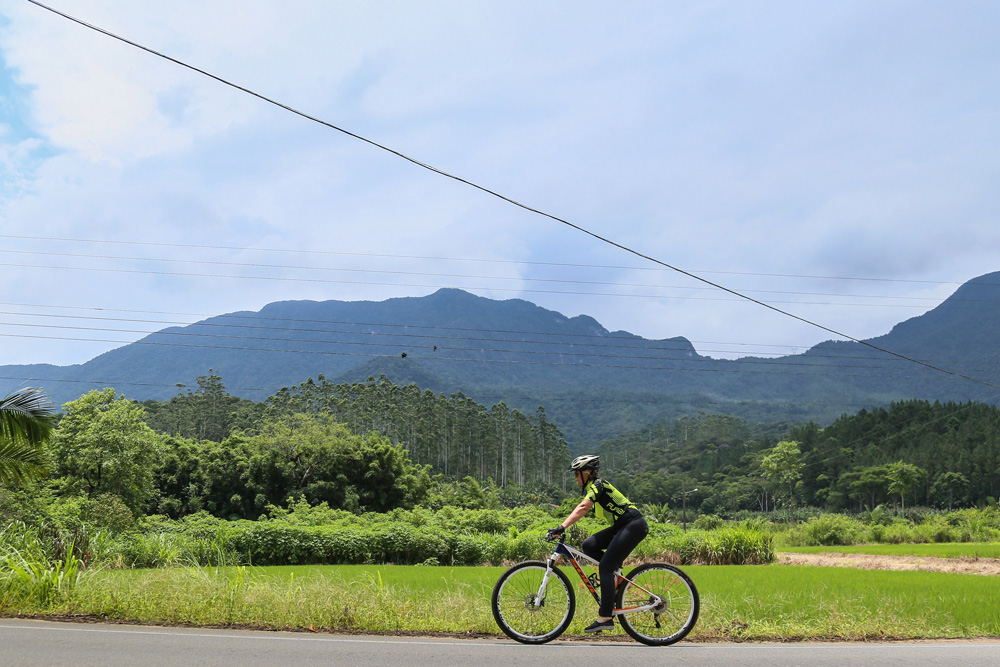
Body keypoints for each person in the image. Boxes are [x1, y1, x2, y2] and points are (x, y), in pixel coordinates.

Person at [547, 454, 649, 633]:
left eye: (577, 473)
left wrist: (562, 527)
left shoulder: (598, 485)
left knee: (605, 568)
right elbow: (584, 508)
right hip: (622, 525)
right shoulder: (592, 488)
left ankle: (606, 617)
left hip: (633, 525)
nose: (575, 477)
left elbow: (583, 507)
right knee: (589, 545)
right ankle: (615, 578)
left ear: (587, 472)